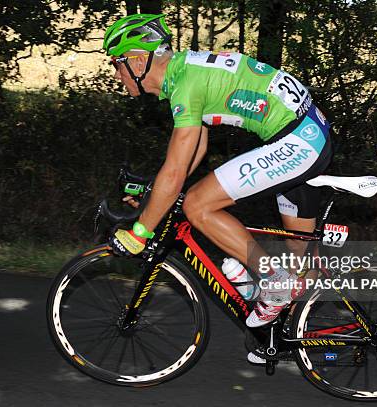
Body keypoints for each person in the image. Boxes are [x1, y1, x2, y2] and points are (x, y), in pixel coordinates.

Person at [104, 14, 332, 361]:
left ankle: (273, 281)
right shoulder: (186, 72)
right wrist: (154, 191)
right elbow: (196, 149)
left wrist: (140, 232)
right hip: (307, 132)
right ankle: (286, 339)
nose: (117, 75)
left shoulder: (186, 82)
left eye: (117, 65)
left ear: (137, 59)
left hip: (299, 139)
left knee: (197, 205)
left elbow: (178, 170)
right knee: (302, 268)